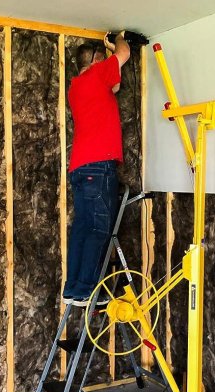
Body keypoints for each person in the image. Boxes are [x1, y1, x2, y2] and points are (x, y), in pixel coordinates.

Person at [62, 32, 131, 307]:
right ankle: (88, 288)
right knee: (98, 230)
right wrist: (118, 40)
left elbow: (112, 88)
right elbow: (123, 54)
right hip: (98, 166)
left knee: (82, 228)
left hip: (81, 167)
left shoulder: (76, 87)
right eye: (104, 60)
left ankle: (74, 288)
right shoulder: (96, 74)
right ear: (95, 62)